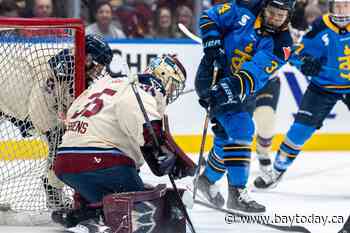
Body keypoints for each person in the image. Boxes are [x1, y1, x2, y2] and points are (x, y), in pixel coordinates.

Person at [51, 54, 195, 232]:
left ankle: (84, 213)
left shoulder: (106, 84)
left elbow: (72, 115)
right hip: (101, 161)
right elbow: (151, 139)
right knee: (142, 204)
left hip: (64, 163)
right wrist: (167, 159)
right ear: (165, 77)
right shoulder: (143, 90)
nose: (171, 92)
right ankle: (95, 219)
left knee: (118, 185)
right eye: (173, 86)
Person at [194, 0, 295, 214]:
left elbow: (255, 71)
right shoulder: (244, 8)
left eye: (281, 15)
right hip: (212, 76)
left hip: (242, 89)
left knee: (226, 139)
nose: (275, 18)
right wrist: (212, 41)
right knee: (242, 128)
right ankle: (237, 192)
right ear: (265, 7)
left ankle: (206, 181)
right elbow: (209, 17)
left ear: (289, 16)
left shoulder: (283, 44)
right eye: (272, 12)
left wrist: (230, 86)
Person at [0, 34, 114, 209]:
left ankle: (53, 191)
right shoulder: (57, 70)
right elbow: (40, 115)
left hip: (8, 99)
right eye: (99, 64)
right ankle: (53, 193)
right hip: (8, 97)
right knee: (60, 140)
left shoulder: (72, 67)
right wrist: (61, 129)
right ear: (87, 57)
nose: (99, 71)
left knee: (60, 139)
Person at [253, 0, 350, 189]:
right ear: (331, 7)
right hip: (322, 88)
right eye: (338, 6)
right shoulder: (320, 27)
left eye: (346, 5)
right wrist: (306, 63)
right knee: (298, 132)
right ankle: (277, 170)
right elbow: (296, 54)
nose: (341, 10)